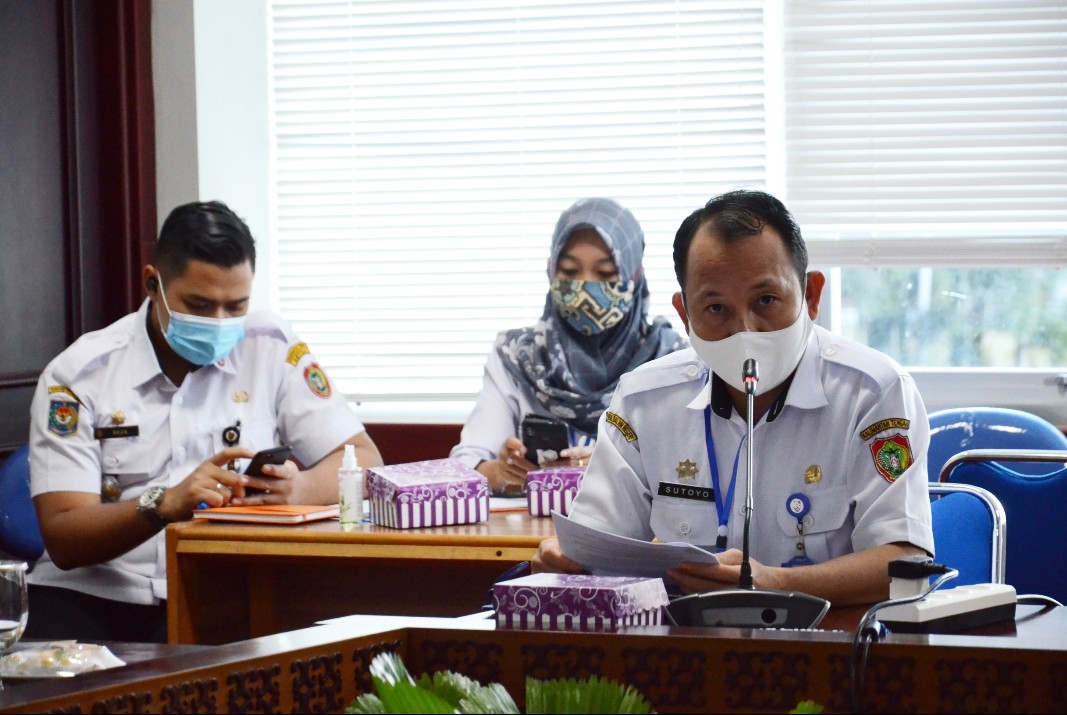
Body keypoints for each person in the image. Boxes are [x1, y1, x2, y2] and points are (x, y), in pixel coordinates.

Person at [533, 190, 933, 606]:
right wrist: (565, 561)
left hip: (831, 652)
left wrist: (774, 585)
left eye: (766, 300)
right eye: (716, 308)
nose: (745, 330)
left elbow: (906, 563)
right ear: (685, 315)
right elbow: (595, 546)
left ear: (811, 296)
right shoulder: (643, 401)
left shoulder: (874, 392)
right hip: (684, 649)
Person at [26, 200, 383, 642]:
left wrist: (300, 488)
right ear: (152, 284)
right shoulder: (80, 374)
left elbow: (365, 460)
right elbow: (63, 535)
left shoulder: (269, 348)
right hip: (97, 600)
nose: (219, 323)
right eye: (199, 304)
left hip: (232, 589)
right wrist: (163, 505)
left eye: (235, 307)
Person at [449, 198, 687, 495]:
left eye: (605, 274)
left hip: (634, 535)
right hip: (532, 531)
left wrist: (615, 468)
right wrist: (502, 471)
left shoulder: (670, 360)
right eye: (570, 271)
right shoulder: (518, 356)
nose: (585, 287)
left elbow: (689, 471)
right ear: (551, 272)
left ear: (634, 278)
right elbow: (466, 464)